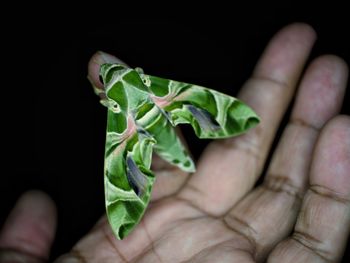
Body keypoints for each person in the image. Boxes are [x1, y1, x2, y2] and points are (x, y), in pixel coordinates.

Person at [0, 23, 349, 263]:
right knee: (223, 114)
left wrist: (113, 103)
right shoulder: (149, 87)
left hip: (132, 125)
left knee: (126, 184)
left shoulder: (116, 115)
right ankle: (184, 154)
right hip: (164, 106)